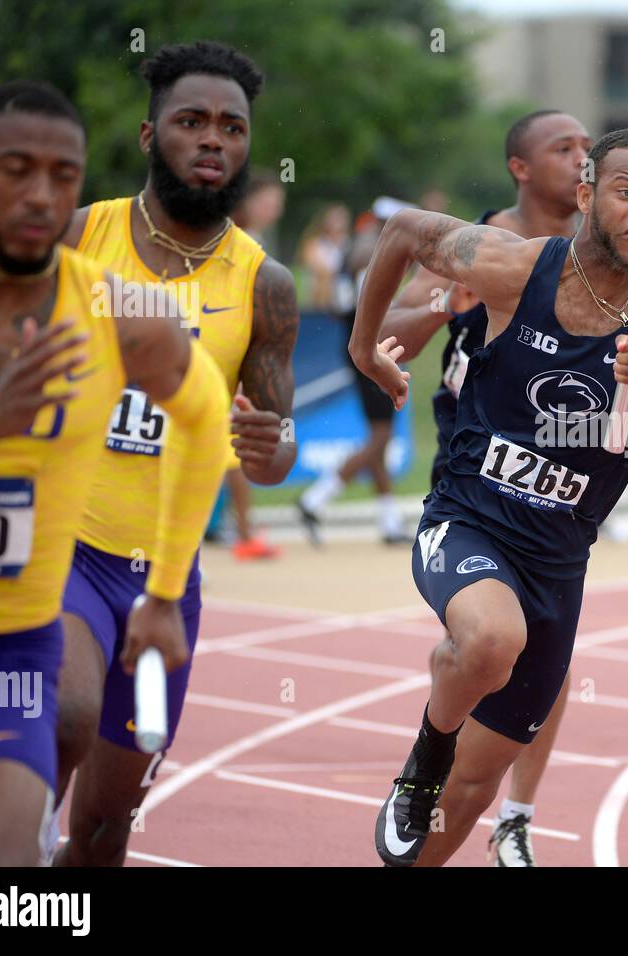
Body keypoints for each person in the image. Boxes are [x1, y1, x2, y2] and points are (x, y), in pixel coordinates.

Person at [350, 128, 628, 867]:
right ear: (586, 197)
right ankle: (424, 755)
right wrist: (365, 349)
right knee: (489, 641)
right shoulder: (514, 266)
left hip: (558, 564)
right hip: (469, 517)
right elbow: (401, 231)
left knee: (475, 791)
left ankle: (461, 805)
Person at [0, 80, 229, 865]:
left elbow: (205, 426)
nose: (41, 194)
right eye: (16, 169)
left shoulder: (122, 318)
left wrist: (166, 592)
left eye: (62, 175)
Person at [50, 41, 299, 867]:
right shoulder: (84, 233)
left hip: (164, 575)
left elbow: (272, 453)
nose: (213, 139)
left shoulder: (265, 284)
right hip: (63, 548)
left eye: (232, 126)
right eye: (191, 121)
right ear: (150, 132)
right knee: (63, 717)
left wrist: (271, 446)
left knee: (105, 826)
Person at [359, 110, 592, 865]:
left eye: (591, 149)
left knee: (547, 653)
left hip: (555, 476)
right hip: (474, 465)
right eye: (566, 149)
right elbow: (391, 323)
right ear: (520, 167)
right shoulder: (484, 242)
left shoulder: (602, 248)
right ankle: (435, 750)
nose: (583, 161)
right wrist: (440, 304)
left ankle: (515, 817)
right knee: (495, 638)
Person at [297, 205, 410, 544]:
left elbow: (336, 305)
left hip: (358, 348)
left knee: (379, 436)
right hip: (371, 352)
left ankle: (389, 521)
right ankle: (314, 498)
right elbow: (371, 306)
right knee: (380, 438)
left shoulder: (353, 249)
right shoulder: (370, 253)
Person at [213, 172, 290, 560]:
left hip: (240, 358)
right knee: (231, 453)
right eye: (269, 200)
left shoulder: (253, 244)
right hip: (224, 359)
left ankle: (236, 528)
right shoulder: (231, 241)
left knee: (230, 453)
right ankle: (240, 531)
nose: (276, 208)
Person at [299, 203, 351, 311]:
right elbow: (318, 268)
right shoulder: (315, 243)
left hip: (343, 289)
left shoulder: (347, 243)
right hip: (319, 291)